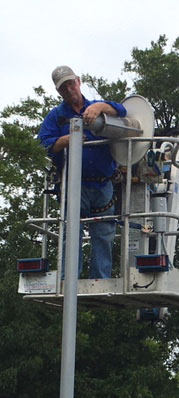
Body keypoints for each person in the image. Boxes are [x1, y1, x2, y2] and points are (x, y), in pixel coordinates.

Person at [38, 66, 127, 279]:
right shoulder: (57, 116)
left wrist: (101, 106)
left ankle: (100, 279)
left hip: (102, 184)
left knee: (104, 233)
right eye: (63, 87)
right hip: (73, 185)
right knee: (71, 233)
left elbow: (123, 112)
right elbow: (41, 144)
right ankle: (69, 279)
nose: (69, 89)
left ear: (78, 82)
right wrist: (66, 140)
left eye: (71, 83)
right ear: (59, 92)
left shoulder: (98, 108)